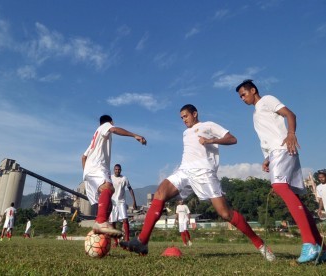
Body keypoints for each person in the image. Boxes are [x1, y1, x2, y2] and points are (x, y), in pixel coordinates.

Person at [120, 104, 275, 261]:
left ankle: (261, 245)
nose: (184, 120)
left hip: (204, 172)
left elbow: (232, 139)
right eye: (181, 118)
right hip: (184, 171)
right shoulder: (185, 133)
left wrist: (210, 140)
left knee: (225, 213)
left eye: (186, 116)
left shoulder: (208, 125)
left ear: (195, 114)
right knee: (160, 192)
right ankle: (142, 241)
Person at [237, 79, 324, 263]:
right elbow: (268, 135)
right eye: (240, 97)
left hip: (282, 148)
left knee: (279, 187)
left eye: (244, 94)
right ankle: (320, 246)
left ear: (253, 90)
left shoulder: (266, 100)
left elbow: (290, 114)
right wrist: (267, 158)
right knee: (292, 195)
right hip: (275, 153)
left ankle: (309, 243)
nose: (242, 99)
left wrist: (291, 133)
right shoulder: (255, 114)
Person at [82, 114, 146, 237]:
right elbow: (114, 129)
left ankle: (101, 231)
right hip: (97, 167)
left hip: (89, 171)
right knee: (109, 188)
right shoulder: (106, 126)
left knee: (109, 204)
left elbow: (83, 157)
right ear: (111, 122)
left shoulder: (95, 137)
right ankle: (100, 223)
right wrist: (135, 135)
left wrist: (86, 174)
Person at [109, 164, 137, 246]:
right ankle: (115, 241)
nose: (117, 171)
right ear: (114, 170)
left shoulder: (124, 178)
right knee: (112, 222)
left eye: (119, 169)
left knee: (125, 220)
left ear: (121, 170)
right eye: (116, 169)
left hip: (121, 202)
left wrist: (134, 201)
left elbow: (130, 189)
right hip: (113, 202)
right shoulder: (110, 178)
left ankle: (127, 240)